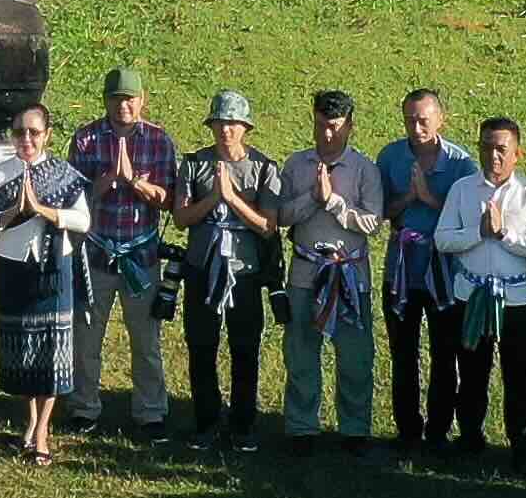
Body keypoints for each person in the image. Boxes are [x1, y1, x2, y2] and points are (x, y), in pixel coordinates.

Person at [432, 115, 526, 460]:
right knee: (472, 371)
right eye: (486, 147)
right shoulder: (463, 190)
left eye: (501, 149)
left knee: (519, 373)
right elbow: (442, 239)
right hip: (471, 295)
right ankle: (470, 436)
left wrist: (504, 234)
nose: (493, 156)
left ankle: (522, 443)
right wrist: (479, 233)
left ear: (517, 153)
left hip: (516, 299)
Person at [69, 67, 178, 438]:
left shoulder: (159, 141)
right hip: (96, 253)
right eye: (116, 99)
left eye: (130, 99)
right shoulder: (86, 139)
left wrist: (134, 182)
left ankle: (151, 412)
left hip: (140, 256)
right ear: (105, 101)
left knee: (146, 340)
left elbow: (169, 200)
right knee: (86, 337)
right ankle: (84, 408)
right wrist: (107, 181)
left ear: (142, 100)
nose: (123, 106)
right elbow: (72, 197)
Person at [275, 91, 387, 450]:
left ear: (350, 126)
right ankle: (301, 426)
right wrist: (313, 198)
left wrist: (335, 203)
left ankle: (354, 429)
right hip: (306, 272)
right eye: (320, 125)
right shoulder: (296, 165)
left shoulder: (365, 169)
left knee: (355, 356)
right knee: (301, 351)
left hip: (349, 275)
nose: (326, 134)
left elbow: (373, 223)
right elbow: (280, 216)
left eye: (335, 127)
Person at [0, 105, 93, 465]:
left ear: (47, 134)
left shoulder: (64, 173)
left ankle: (43, 430)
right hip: (14, 266)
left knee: (52, 349)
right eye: (20, 132)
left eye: (34, 132)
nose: (27, 139)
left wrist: (43, 211)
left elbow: (83, 221)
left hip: (54, 267)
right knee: (22, 349)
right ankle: (30, 420)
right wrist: (13, 213)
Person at [176, 90, 279, 444]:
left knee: (245, 347)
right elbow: (181, 218)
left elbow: (268, 225)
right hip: (202, 268)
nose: (226, 130)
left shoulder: (264, 168)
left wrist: (232, 198)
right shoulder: (194, 164)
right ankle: (205, 420)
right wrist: (213, 198)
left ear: (245, 127)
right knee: (201, 345)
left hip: (244, 271)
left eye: (233, 123)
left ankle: (243, 423)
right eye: (220, 123)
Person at [371, 87, 465, 452]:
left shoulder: (460, 162)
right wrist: (408, 198)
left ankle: (439, 431)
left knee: (444, 353)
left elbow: (467, 219)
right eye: (409, 120)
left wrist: (429, 198)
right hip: (402, 267)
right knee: (403, 351)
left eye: (424, 120)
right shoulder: (391, 157)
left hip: (444, 270)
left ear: (441, 119)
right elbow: (379, 211)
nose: (417, 127)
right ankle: (408, 429)